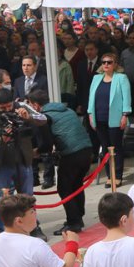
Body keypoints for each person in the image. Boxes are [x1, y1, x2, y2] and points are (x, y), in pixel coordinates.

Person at [0, 88, 49, 239]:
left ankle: (33, 228)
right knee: (2, 200)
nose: (7, 110)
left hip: (23, 160)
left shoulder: (21, 106)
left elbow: (43, 118)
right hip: (1, 164)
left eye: (9, 106)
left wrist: (28, 117)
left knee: (28, 197)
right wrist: (2, 140)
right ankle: (0, 234)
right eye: (2, 108)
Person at [27, 90, 92, 235]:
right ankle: (78, 218)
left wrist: (36, 152)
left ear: (36, 105)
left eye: (30, 104)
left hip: (71, 154)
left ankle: (73, 223)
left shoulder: (44, 117)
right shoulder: (68, 110)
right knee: (76, 185)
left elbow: (47, 145)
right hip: (87, 150)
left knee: (64, 189)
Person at [88, 52, 132, 189]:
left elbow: (127, 98)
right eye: (104, 62)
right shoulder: (96, 78)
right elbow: (91, 98)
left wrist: (125, 115)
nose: (106, 64)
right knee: (105, 147)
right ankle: (109, 175)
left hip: (115, 118)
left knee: (116, 147)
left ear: (115, 64)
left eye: (109, 62)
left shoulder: (121, 78)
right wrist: (90, 114)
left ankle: (117, 176)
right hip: (99, 118)